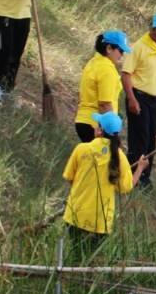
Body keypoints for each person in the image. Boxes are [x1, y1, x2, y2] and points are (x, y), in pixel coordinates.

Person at [61, 111, 147, 258]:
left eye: (97, 125)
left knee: (75, 257)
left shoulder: (82, 149)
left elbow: (69, 178)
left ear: (100, 131)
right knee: (90, 260)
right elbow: (126, 187)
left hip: (75, 215)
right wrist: (140, 168)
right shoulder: (120, 158)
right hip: (100, 222)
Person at [122, 13, 156, 189]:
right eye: (155, 28)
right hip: (138, 96)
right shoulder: (139, 46)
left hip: (154, 99)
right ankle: (132, 177)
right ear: (151, 27)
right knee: (139, 138)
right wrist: (131, 99)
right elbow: (126, 74)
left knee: (151, 138)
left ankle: (145, 176)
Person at [75, 30, 129, 143]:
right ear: (109, 48)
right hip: (97, 126)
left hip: (83, 121)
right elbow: (104, 104)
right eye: (120, 51)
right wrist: (112, 133)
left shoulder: (93, 62)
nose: (122, 55)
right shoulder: (106, 69)